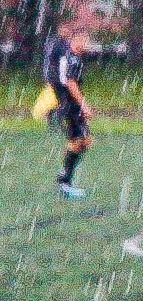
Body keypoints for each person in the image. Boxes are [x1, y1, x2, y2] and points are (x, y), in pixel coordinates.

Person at [42, 25, 93, 198]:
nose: (86, 44)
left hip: (70, 106)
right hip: (70, 107)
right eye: (84, 40)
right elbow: (71, 82)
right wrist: (84, 104)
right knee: (79, 141)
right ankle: (64, 181)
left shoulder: (73, 57)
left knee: (83, 141)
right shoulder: (72, 59)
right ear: (76, 39)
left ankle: (65, 179)